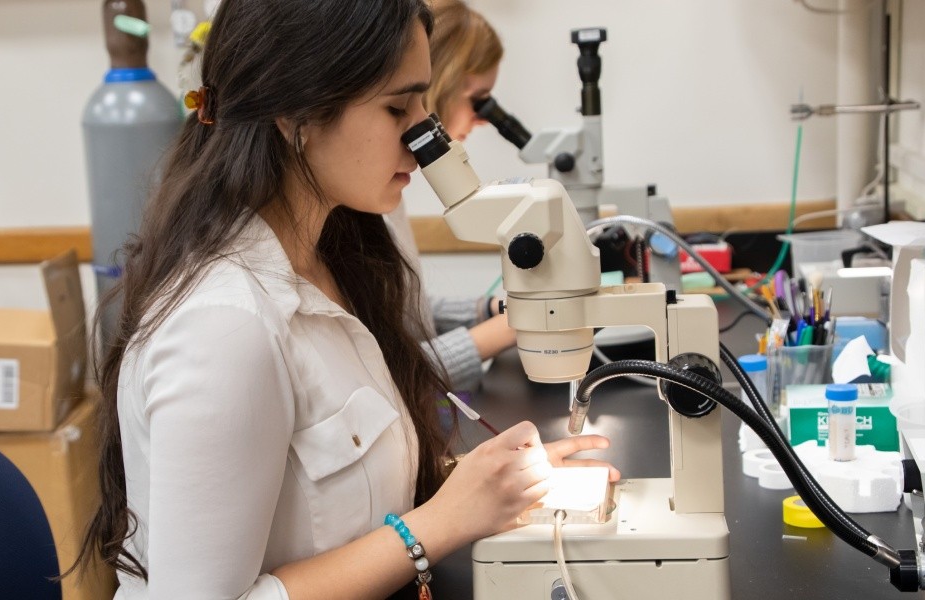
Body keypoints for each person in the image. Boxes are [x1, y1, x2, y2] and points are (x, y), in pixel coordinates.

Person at [70, 0, 619, 597]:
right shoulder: (225, 328)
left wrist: (489, 485)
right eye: (396, 107)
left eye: (425, 104)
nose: (421, 138)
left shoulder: (330, 260)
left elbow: (333, 496)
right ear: (296, 113)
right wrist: (439, 522)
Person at [385, 0, 513, 391]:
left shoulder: (388, 187)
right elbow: (386, 376)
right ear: (441, 77)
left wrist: (491, 309)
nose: (484, 118)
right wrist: (515, 327)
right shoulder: (357, 199)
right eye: (479, 99)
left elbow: (404, 313)